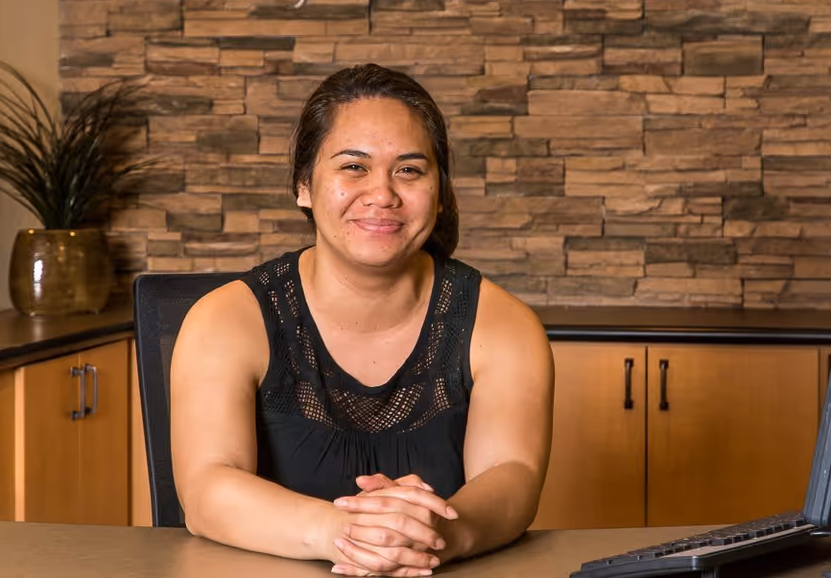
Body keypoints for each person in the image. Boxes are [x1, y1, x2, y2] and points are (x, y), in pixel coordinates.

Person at [169, 63, 554, 577]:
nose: (383, 194)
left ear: (439, 194)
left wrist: (439, 535)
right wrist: (349, 534)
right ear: (303, 185)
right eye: (354, 167)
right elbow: (206, 489)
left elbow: (513, 475)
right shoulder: (224, 319)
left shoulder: (502, 325)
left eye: (410, 170)